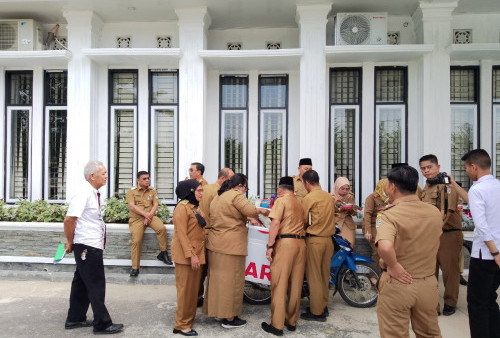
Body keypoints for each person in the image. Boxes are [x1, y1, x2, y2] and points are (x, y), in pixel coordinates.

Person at [375, 165, 442, 338]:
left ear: (393, 187)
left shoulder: (389, 215)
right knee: (430, 333)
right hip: (428, 283)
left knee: (394, 333)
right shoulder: (434, 212)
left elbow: (385, 246)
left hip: (397, 282)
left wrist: (394, 265)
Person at [63, 160, 123, 334]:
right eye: (103, 173)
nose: (106, 176)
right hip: (87, 247)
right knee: (96, 284)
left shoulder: (92, 193)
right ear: (92, 176)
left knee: (81, 282)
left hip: (88, 245)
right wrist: (69, 241)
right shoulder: (83, 193)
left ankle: (75, 318)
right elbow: (69, 219)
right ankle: (102, 323)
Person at [203, 174, 267, 328]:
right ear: (240, 186)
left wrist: (246, 218)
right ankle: (230, 318)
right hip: (230, 246)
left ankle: (218, 313)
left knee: (217, 281)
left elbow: (229, 215)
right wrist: (263, 211)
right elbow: (250, 210)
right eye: (246, 188)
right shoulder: (236, 195)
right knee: (231, 282)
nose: (245, 191)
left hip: (215, 244)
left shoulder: (219, 196)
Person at [461, 149, 500, 338]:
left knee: (477, 304)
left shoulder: (477, 190)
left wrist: (494, 253)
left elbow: (482, 226)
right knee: (490, 299)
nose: (467, 171)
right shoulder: (498, 186)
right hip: (497, 252)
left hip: (486, 255)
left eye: (467, 168)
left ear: (474, 166)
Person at [261, 176, 306, 336]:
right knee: (296, 285)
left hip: (285, 244)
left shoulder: (281, 200)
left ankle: (277, 325)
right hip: (301, 244)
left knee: (279, 284)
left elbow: (275, 223)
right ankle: (291, 322)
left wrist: (270, 246)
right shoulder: (298, 202)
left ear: (280, 189)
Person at [419, 154, 462, 316]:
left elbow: (448, 213)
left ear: (438, 166)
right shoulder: (427, 186)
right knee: (430, 271)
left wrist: (434, 231)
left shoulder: (447, 185)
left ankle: (450, 302)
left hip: (448, 235)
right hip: (430, 235)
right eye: (423, 168)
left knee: (450, 271)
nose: (426, 171)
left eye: (429, 167)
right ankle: (433, 305)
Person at [171, 179, 206, 337]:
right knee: (185, 292)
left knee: (193, 292)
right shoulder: (182, 208)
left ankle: (187, 321)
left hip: (197, 254)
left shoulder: (195, 207)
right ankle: (181, 325)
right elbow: (182, 235)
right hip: (187, 256)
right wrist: (192, 255)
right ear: (190, 191)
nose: (201, 193)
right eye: (198, 190)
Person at [300, 170, 335, 321]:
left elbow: (303, 220)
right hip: (328, 240)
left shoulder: (309, 198)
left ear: (307, 183)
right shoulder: (328, 196)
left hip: (314, 241)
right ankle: (322, 305)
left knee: (313, 276)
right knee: (324, 275)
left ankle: (316, 312)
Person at [197, 168, 234, 305]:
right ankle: (205, 299)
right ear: (223, 179)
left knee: (202, 270)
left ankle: (197, 297)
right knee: (210, 269)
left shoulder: (205, 189)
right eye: (231, 179)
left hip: (202, 231)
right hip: (211, 232)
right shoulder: (219, 193)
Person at [126, 171, 171, 277]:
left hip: (151, 217)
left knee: (161, 229)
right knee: (136, 241)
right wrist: (145, 215)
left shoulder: (152, 191)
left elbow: (155, 204)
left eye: (148, 178)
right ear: (138, 180)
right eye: (144, 179)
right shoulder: (131, 191)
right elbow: (132, 206)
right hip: (137, 219)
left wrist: (149, 215)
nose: (147, 180)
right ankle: (135, 267)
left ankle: (163, 253)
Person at [362, 178, 389, 268]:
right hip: (372, 226)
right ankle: (374, 275)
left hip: (384, 225)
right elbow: (367, 215)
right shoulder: (372, 197)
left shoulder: (389, 198)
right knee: (377, 250)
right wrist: (368, 231)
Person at [332, 177, 357, 247]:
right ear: (337, 187)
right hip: (336, 224)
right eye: (342, 189)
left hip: (347, 223)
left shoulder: (350, 197)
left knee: (350, 245)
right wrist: (336, 203)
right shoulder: (331, 197)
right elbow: (328, 211)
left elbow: (354, 213)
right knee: (337, 246)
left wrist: (350, 209)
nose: (345, 191)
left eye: (347, 189)